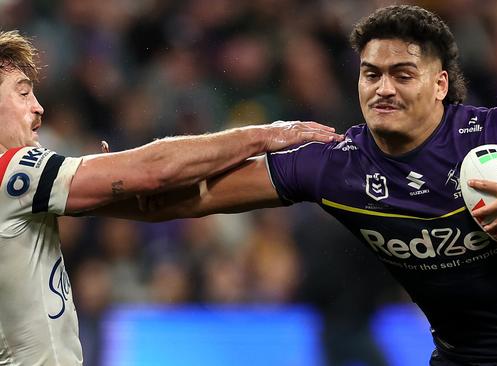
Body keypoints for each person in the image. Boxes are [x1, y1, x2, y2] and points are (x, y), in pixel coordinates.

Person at [100, 5, 497, 365]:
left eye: (402, 74)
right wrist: (112, 190)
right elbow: (195, 200)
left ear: (439, 83)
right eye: (370, 73)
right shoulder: (335, 166)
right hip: (460, 357)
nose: (383, 88)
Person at [0, 30, 342, 366]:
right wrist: (263, 135)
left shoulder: (21, 185)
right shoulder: (11, 172)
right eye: (23, 93)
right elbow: (155, 169)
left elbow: (155, 200)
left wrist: (294, 174)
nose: (38, 107)